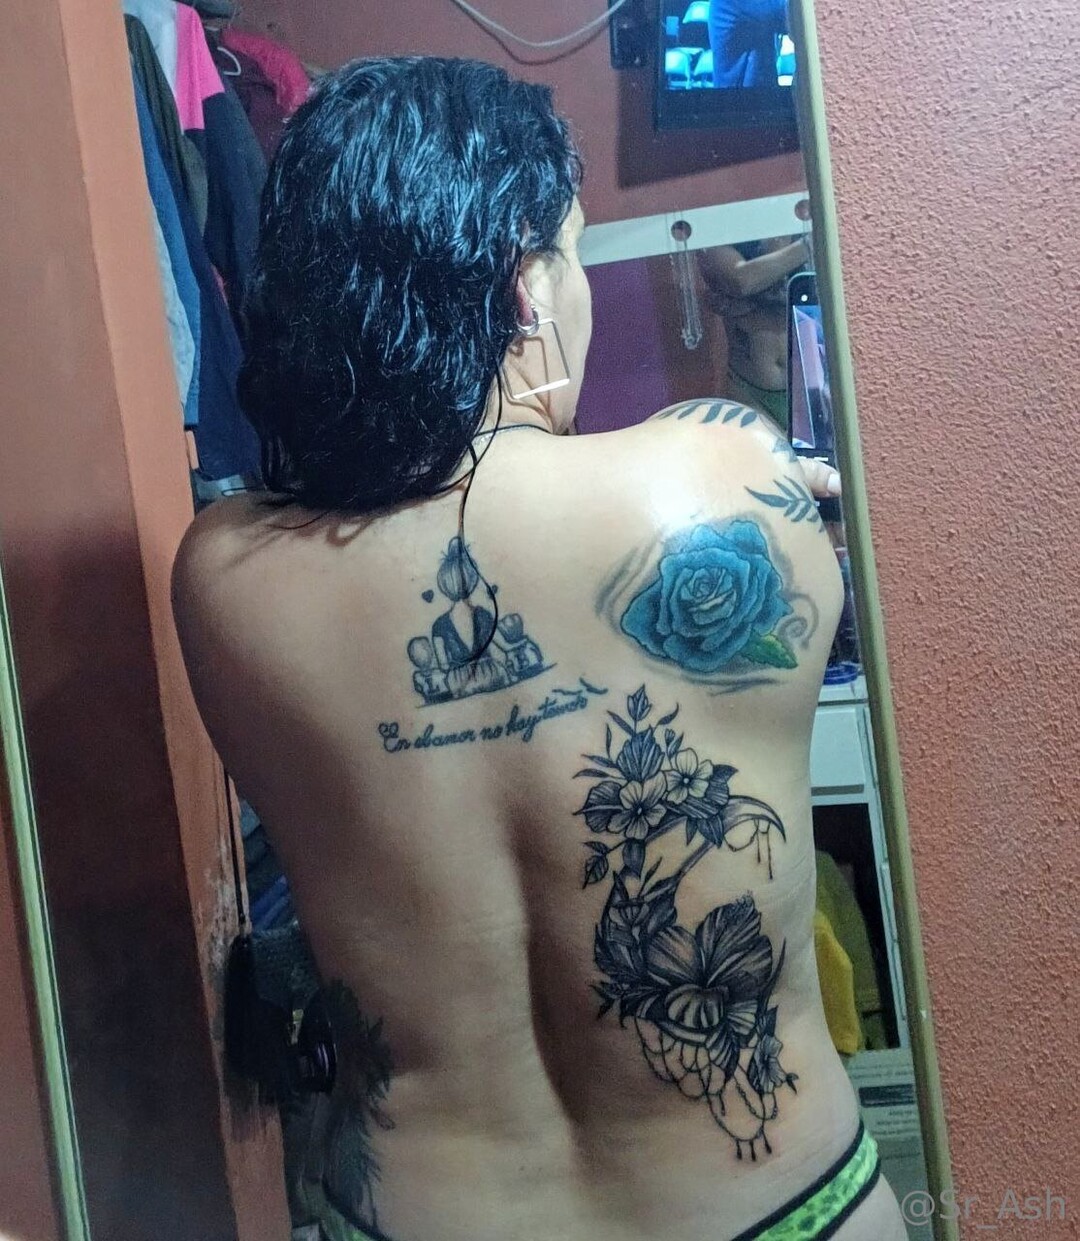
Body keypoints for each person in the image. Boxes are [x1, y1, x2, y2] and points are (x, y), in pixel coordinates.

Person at [172, 56, 905, 1241]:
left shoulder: (223, 571)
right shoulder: (726, 474)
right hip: (778, 1203)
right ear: (526, 285)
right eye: (574, 252)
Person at [698, 236, 811, 431]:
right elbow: (742, 281)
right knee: (760, 452)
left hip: (811, 383)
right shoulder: (720, 233)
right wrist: (810, 244)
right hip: (751, 389)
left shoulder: (800, 227)